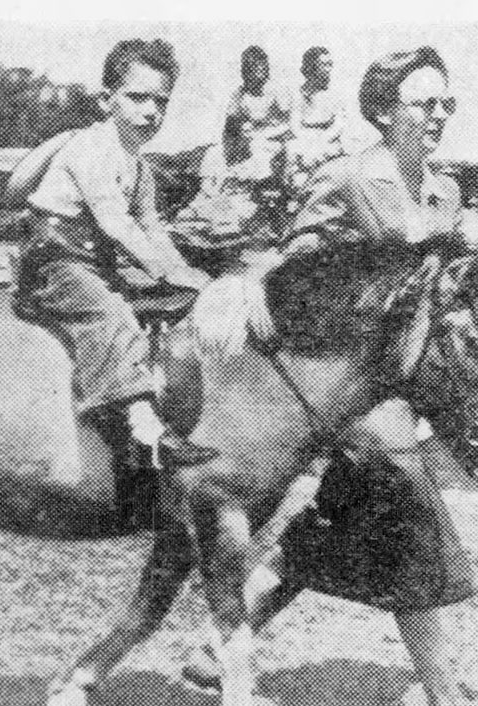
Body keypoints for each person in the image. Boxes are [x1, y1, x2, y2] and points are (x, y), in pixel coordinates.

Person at [241, 47, 478, 706]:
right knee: (412, 509)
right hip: (345, 386)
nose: (437, 115)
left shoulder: (448, 191)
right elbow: (289, 273)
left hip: (406, 387)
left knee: (333, 523)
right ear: (382, 110)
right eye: (423, 102)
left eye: (445, 103)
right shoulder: (344, 178)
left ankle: (216, 645)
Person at [18, 38, 217, 468]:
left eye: (161, 101)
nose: (150, 111)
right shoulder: (91, 148)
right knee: (109, 313)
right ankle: (143, 427)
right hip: (56, 256)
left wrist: (184, 270)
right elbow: (117, 224)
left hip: (93, 260)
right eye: (137, 97)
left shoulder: (139, 163)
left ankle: (172, 392)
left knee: (166, 303)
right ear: (107, 100)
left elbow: (150, 224)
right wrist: (166, 271)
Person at [222, 46, 292, 178]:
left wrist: (265, 134)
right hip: (246, 144)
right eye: (252, 68)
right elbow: (229, 127)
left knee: (260, 153)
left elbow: (289, 124)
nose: (258, 72)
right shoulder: (239, 95)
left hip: (274, 139)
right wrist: (241, 131)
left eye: (261, 67)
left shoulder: (277, 92)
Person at [285, 46, 346, 186]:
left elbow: (338, 125)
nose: (328, 69)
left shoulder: (335, 95)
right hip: (304, 140)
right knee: (294, 154)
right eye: (324, 64)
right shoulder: (298, 94)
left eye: (330, 64)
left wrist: (321, 141)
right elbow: (294, 124)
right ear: (312, 67)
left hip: (328, 140)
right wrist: (309, 142)